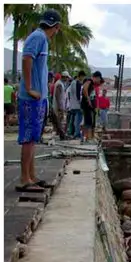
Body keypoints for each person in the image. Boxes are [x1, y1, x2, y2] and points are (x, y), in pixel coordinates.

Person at [16, 9, 60, 193]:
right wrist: (30, 87)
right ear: (56, 27)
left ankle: (31, 176)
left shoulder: (41, 38)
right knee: (28, 138)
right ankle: (24, 179)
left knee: (33, 138)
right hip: (31, 97)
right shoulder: (38, 37)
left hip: (38, 98)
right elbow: (26, 59)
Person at [79, 71, 102, 142]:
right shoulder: (89, 81)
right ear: (97, 77)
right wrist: (88, 100)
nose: (99, 81)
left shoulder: (93, 84)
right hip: (86, 105)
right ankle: (86, 137)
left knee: (90, 122)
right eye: (99, 79)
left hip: (90, 105)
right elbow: (85, 89)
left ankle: (87, 137)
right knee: (88, 121)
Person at [66, 70, 83, 139]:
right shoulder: (76, 83)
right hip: (76, 105)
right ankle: (76, 133)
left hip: (72, 105)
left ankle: (72, 132)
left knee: (72, 119)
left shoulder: (72, 84)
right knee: (77, 120)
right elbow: (78, 95)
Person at [49, 71, 67, 139]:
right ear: (64, 77)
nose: (67, 79)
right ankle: (62, 135)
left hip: (58, 106)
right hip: (58, 106)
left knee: (58, 122)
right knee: (59, 121)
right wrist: (60, 107)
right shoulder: (59, 84)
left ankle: (61, 135)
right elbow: (57, 96)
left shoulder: (59, 83)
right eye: (67, 78)